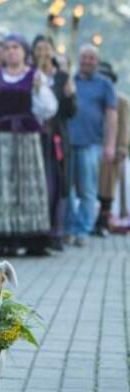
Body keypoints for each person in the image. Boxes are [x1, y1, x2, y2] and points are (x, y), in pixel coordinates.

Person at [0, 34, 58, 256]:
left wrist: (39, 89)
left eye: (16, 47)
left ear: (24, 52)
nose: (11, 51)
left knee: (30, 187)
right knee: (5, 187)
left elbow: (48, 110)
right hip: (4, 138)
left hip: (28, 138)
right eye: (7, 47)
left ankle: (33, 239)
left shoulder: (34, 76)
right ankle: (6, 238)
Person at [66, 45, 118, 247]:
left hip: (91, 143)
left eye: (91, 58)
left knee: (87, 189)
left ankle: (83, 230)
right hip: (68, 142)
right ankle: (69, 228)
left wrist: (110, 144)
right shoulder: (71, 81)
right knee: (67, 190)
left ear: (97, 61)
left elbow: (111, 116)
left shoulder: (105, 84)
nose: (87, 61)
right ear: (79, 60)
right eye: (84, 57)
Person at [33, 35, 77, 251]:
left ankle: (55, 233)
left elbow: (70, 113)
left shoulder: (62, 77)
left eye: (46, 48)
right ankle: (37, 232)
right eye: (38, 49)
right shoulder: (30, 73)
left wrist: (70, 96)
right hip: (35, 137)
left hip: (56, 137)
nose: (43, 53)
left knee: (57, 186)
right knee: (40, 186)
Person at [94, 62, 128, 236]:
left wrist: (121, 147)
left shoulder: (120, 100)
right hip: (92, 144)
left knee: (107, 186)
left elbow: (124, 126)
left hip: (111, 149)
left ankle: (104, 221)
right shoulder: (92, 96)